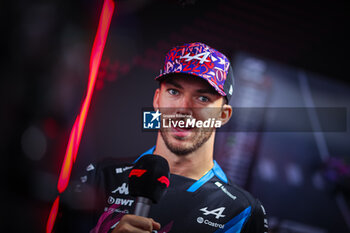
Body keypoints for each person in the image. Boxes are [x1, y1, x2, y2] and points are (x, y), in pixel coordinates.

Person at [56, 42, 268, 233]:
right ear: (157, 100)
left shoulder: (242, 211)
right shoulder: (100, 177)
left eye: (203, 98)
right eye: (174, 92)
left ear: (223, 115)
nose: (184, 109)